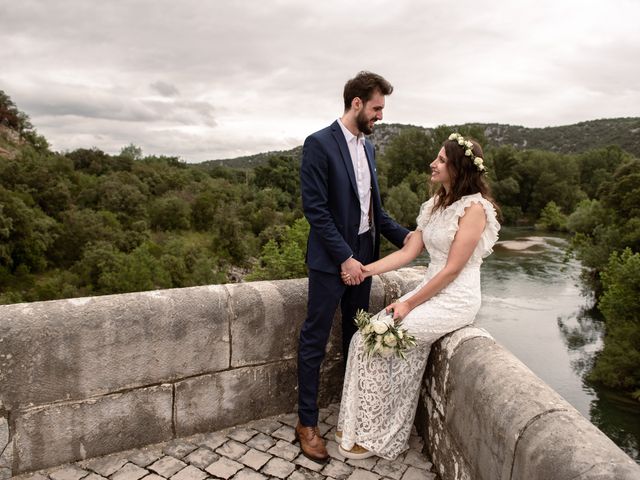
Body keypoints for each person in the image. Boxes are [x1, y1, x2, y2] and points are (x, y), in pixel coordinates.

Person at [336, 133, 500, 460]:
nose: (433, 164)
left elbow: (453, 269)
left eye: (441, 160)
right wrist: (365, 270)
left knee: (384, 342)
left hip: (455, 298)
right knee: (362, 339)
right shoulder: (436, 205)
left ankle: (380, 437)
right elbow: (410, 251)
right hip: (429, 289)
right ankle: (359, 423)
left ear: (458, 167)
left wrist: (409, 302)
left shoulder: (475, 209)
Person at [296, 71, 411, 463]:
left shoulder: (369, 149)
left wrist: (411, 238)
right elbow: (316, 210)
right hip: (331, 261)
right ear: (357, 103)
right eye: (377, 108)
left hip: (366, 256)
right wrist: (345, 257)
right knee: (314, 340)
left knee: (356, 339)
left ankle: (352, 417)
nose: (381, 116)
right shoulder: (319, 144)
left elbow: (374, 212)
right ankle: (306, 423)